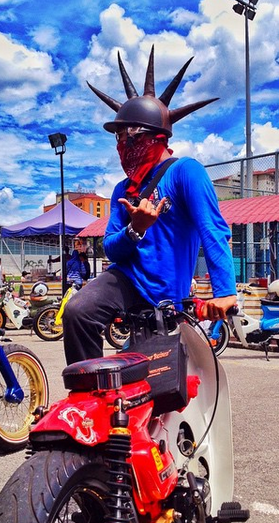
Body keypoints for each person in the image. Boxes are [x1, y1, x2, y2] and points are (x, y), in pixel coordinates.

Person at [63, 46, 237, 365]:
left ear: (155, 136)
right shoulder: (122, 190)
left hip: (168, 296)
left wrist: (225, 292)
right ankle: (86, 394)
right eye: (117, 137)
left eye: (128, 135)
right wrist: (135, 230)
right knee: (78, 311)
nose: (121, 145)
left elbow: (213, 230)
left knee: (158, 384)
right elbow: (111, 249)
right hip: (127, 280)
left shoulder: (186, 172)